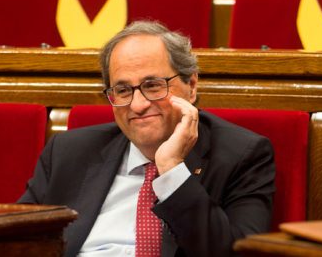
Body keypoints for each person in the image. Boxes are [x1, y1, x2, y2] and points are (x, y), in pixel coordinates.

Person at [19, 21, 275, 256]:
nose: (138, 105)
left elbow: (237, 253)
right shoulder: (68, 152)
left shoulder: (243, 155)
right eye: (122, 90)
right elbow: (13, 239)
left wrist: (172, 171)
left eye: (153, 86)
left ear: (192, 86)